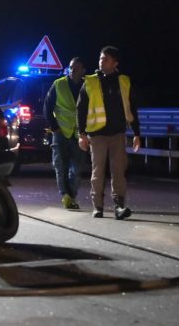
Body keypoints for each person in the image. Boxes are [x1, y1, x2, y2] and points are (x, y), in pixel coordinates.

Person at [76, 46, 141, 219]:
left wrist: (137, 133)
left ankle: (119, 206)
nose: (101, 62)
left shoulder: (124, 81)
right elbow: (80, 109)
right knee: (97, 172)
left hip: (117, 134)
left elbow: (132, 108)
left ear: (115, 63)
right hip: (97, 135)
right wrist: (81, 134)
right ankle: (97, 206)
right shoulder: (90, 82)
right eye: (100, 58)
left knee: (118, 171)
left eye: (105, 59)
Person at [45, 57, 87, 209]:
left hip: (79, 134)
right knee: (60, 167)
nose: (72, 70)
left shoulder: (87, 86)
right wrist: (54, 127)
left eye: (76, 68)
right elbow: (47, 107)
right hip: (61, 132)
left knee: (77, 169)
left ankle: (71, 195)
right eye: (71, 67)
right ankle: (66, 196)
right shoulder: (59, 84)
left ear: (83, 71)